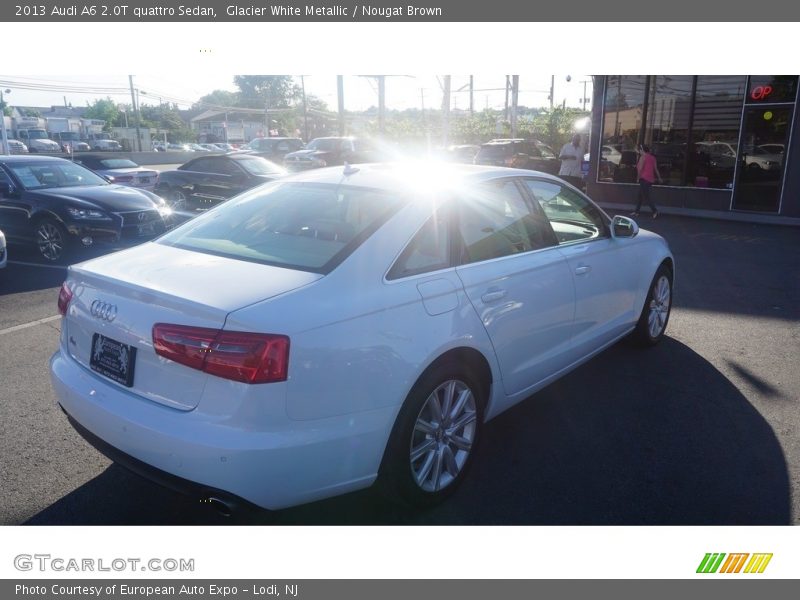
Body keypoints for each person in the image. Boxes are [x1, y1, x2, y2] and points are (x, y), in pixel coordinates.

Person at [632, 144, 662, 218]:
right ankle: (636, 212)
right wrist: (659, 178)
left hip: (644, 179)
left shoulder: (643, 157)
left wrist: (637, 178)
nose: (639, 151)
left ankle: (655, 211)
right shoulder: (652, 157)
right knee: (640, 196)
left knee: (646, 196)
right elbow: (656, 169)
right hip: (650, 179)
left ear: (642, 150)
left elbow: (640, 169)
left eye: (640, 150)